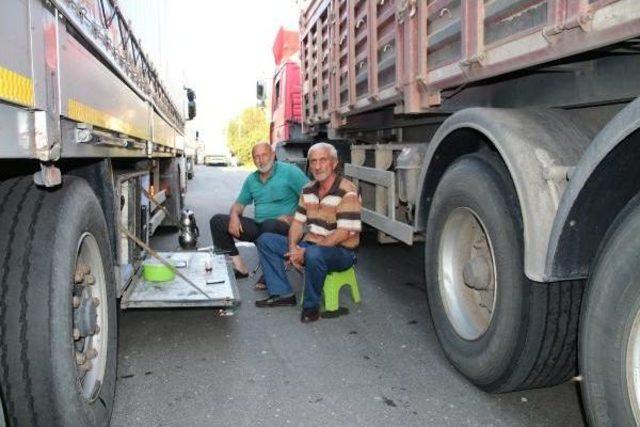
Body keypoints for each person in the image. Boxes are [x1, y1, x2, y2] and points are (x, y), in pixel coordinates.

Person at [255, 142, 362, 322]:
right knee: (265, 240)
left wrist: (304, 252)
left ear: (334, 163)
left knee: (314, 253)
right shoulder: (307, 190)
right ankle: (283, 294)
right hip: (311, 246)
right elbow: (297, 223)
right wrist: (292, 248)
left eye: (323, 160)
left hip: (342, 252)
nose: (318, 166)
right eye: (313, 161)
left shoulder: (347, 191)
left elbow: (343, 234)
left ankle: (311, 306)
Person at [209, 142, 309, 281]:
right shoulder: (252, 179)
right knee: (217, 221)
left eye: (264, 155)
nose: (260, 160)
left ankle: (270, 271)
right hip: (260, 226)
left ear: (273, 155)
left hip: (284, 227)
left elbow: (312, 197)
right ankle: (240, 268)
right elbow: (239, 204)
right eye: (256, 157)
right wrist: (234, 215)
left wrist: (296, 218)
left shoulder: (290, 172)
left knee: (269, 225)